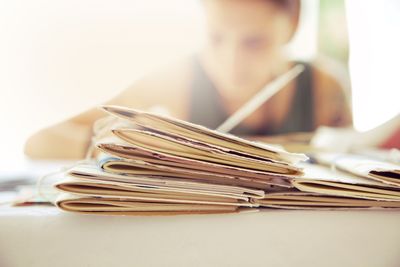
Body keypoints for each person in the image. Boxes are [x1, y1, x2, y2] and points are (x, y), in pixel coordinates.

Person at [25, 0, 352, 159]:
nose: (231, 63)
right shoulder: (173, 81)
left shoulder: (324, 88)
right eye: (216, 38)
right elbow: (39, 143)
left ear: (292, 26)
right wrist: (104, 146)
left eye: (254, 42)